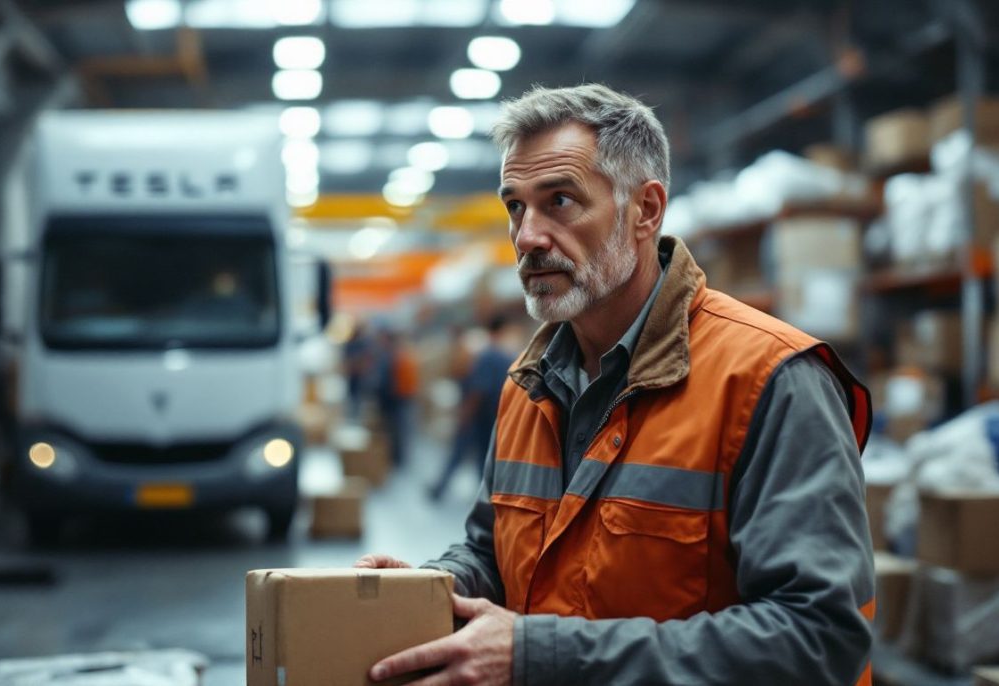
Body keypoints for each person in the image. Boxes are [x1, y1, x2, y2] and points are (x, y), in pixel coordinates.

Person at [356, 83, 875, 686]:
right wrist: (429, 589)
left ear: (646, 211)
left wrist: (538, 655)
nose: (527, 237)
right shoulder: (528, 385)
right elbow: (489, 550)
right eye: (516, 207)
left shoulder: (769, 381)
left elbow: (818, 639)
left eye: (560, 201)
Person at [428, 314, 517, 501]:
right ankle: (485, 495)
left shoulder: (487, 355)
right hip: (492, 414)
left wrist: (466, 413)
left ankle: (444, 488)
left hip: (481, 415)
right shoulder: (504, 355)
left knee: (464, 452)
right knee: (484, 456)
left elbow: (478, 389)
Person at [374, 326, 419, 467]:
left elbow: (384, 380)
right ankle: (400, 457)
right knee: (401, 428)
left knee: (397, 429)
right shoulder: (401, 353)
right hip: (402, 397)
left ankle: (398, 458)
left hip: (395, 398)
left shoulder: (391, 355)